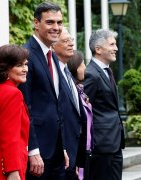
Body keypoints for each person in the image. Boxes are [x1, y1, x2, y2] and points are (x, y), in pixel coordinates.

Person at [18, 2, 67, 179]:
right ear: (36, 23)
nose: (56, 27)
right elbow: (24, 107)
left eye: (59, 23)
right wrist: (32, 149)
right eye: (50, 22)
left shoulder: (53, 56)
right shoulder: (25, 55)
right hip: (38, 151)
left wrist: (62, 147)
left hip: (56, 149)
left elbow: (56, 103)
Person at [83, 29, 125, 180]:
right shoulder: (91, 74)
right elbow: (84, 111)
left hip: (114, 144)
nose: (116, 48)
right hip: (100, 146)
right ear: (98, 49)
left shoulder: (106, 71)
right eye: (112, 44)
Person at [0, 45, 30, 180]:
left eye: (25, 64)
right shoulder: (12, 94)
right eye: (19, 65)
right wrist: (13, 171)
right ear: (5, 69)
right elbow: (10, 137)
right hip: (8, 169)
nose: (25, 69)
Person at [52, 28, 86, 180]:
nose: (71, 44)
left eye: (71, 40)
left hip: (74, 150)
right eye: (65, 41)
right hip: (61, 151)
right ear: (53, 46)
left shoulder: (67, 73)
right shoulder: (53, 73)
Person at [67, 50, 92, 180]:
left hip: (85, 150)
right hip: (75, 152)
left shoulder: (80, 90)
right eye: (82, 64)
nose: (85, 68)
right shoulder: (71, 91)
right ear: (75, 67)